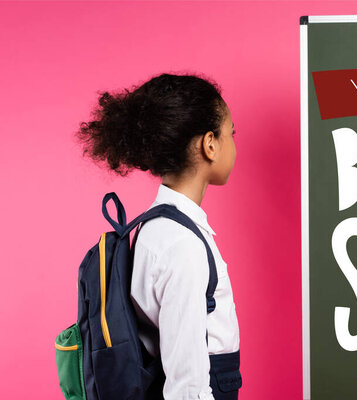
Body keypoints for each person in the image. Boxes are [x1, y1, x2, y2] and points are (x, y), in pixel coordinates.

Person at [76, 73, 241, 400]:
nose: (233, 144)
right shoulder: (181, 245)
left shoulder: (158, 229)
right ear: (209, 144)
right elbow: (187, 386)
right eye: (230, 134)